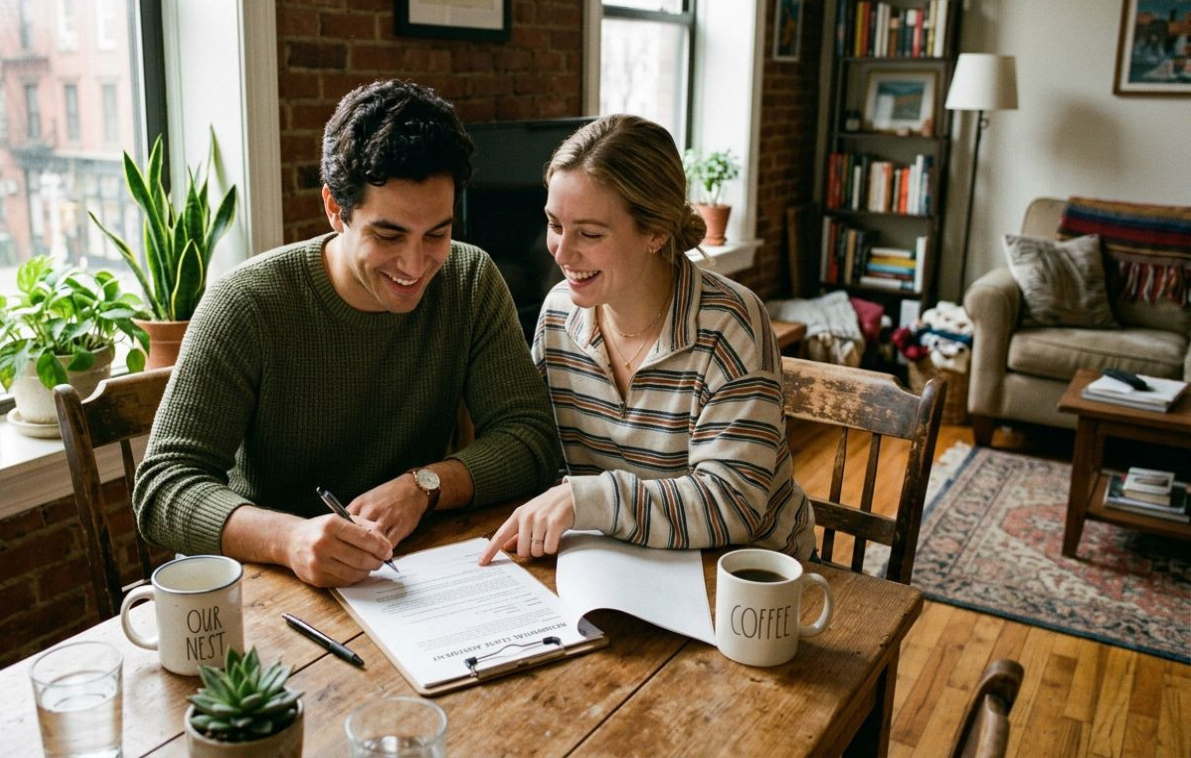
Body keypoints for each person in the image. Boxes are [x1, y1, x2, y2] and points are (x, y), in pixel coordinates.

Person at [135, 80, 561, 587]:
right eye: (388, 235)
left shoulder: (469, 280)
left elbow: (530, 439)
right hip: (271, 581)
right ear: (335, 210)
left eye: (437, 234)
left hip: (411, 571)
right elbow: (164, 487)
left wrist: (424, 486)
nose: (415, 265)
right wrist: (289, 539)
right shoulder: (246, 302)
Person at [478, 114, 815, 565]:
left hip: (745, 574)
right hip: (623, 561)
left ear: (656, 231)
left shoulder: (730, 324)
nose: (561, 251)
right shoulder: (558, 313)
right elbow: (543, 453)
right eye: (555, 225)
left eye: (590, 233)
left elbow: (733, 504)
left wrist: (587, 500)